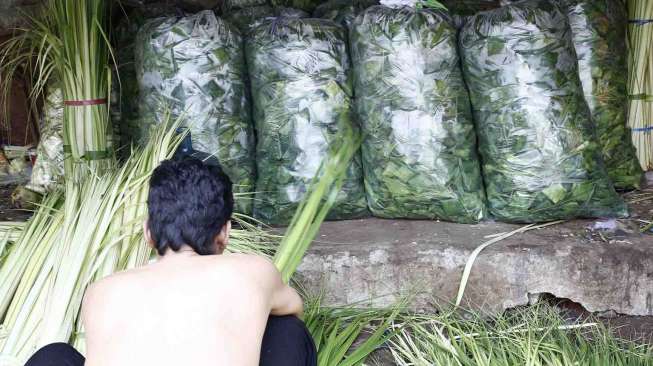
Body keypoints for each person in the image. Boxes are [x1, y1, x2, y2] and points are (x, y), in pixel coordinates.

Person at [25, 158, 317, 366]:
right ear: (225, 232)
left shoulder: (101, 291)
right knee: (286, 330)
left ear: (148, 232)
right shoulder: (251, 271)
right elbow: (293, 307)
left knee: (53, 356)